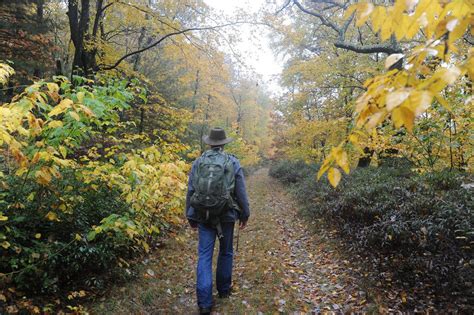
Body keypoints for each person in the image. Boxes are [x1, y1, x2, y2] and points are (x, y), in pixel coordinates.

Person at [185, 127, 250, 315]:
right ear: (223, 143)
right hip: (227, 215)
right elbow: (241, 192)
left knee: (204, 255)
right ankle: (223, 290)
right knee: (226, 252)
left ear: (209, 143)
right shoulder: (233, 162)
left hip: (203, 215)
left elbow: (190, 191)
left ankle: (204, 303)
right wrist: (245, 214)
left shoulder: (198, 162)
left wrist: (190, 216)